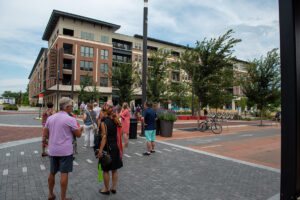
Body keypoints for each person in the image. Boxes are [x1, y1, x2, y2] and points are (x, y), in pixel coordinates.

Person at [43, 97, 83, 200]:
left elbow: (45, 134)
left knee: (52, 172)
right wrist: (81, 129)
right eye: (71, 105)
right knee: (64, 173)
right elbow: (78, 135)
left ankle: (51, 194)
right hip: (65, 151)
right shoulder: (70, 119)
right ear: (68, 107)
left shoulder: (51, 118)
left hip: (53, 149)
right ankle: (63, 198)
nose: (72, 107)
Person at [97, 104, 123, 195]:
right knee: (115, 169)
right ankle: (113, 187)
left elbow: (104, 137)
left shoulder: (104, 123)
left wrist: (100, 151)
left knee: (105, 169)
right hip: (115, 146)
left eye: (101, 111)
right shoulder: (114, 121)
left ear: (104, 112)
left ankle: (106, 189)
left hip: (107, 148)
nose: (99, 113)